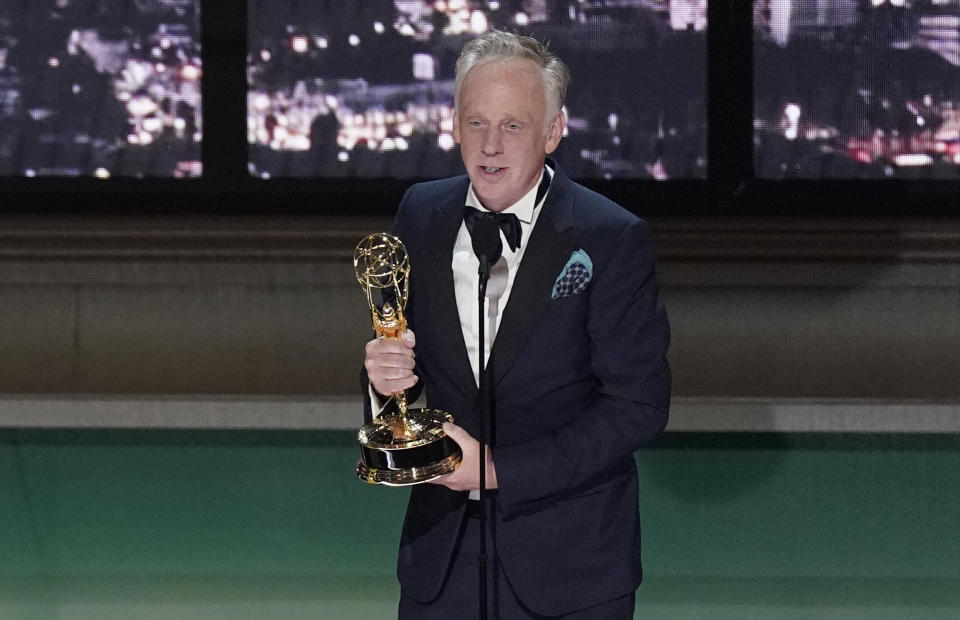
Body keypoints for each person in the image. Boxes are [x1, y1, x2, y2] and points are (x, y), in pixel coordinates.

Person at [363, 29, 670, 619]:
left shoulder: (610, 237)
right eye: (476, 123)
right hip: (440, 567)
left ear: (553, 131)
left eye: (513, 125)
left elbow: (638, 406)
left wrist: (498, 470)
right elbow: (406, 360)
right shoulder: (421, 214)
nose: (491, 146)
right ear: (453, 125)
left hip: (572, 569)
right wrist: (384, 381)